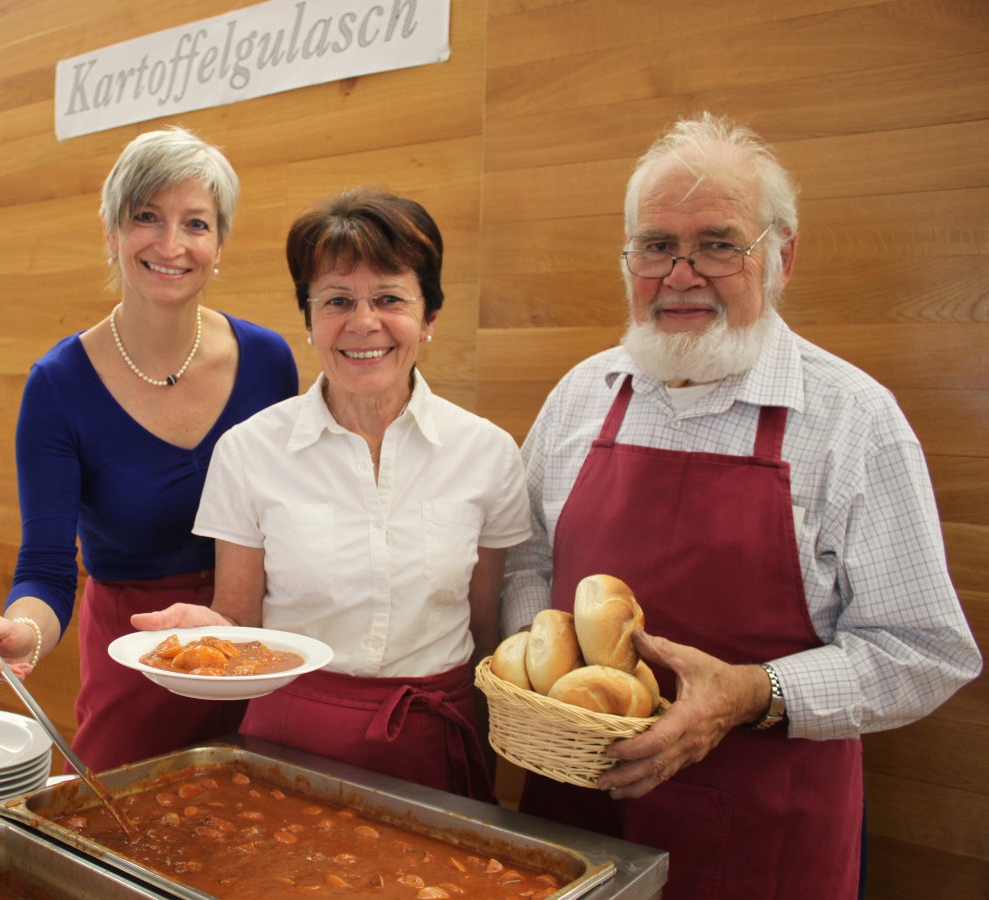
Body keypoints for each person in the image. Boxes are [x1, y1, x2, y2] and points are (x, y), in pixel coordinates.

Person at [501, 113, 982, 900]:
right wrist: (545, 674)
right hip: (579, 817)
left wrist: (753, 694)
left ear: (782, 256)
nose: (681, 274)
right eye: (656, 245)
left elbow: (925, 651)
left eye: (719, 245)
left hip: (766, 834)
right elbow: (527, 558)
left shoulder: (854, 421)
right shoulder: (582, 395)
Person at [133, 188, 532, 800]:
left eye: (390, 299)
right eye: (338, 300)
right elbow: (240, 620)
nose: (363, 323)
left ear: (429, 317)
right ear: (310, 320)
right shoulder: (249, 451)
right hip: (290, 737)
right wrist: (204, 635)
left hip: (437, 741)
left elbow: (484, 633)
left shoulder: (489, 453)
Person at [0, 128, 298, 771]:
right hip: (137, 663)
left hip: (256, 656)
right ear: (113, 232)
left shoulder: (270, 362)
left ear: (219, 245)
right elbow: (47, 568)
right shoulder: (59, 384)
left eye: (196, 223)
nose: (171, 244)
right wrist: (20, 633)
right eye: (146, 217)